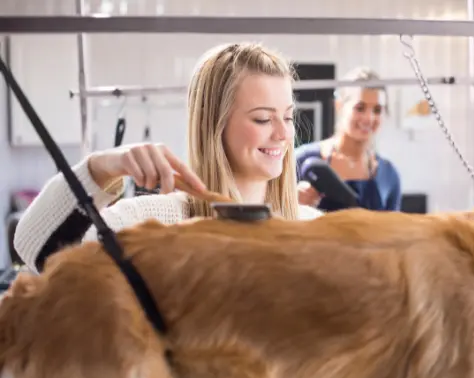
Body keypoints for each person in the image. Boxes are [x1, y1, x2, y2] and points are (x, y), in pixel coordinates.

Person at [14, 42, 323, 273]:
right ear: (214, 125)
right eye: (263, 119)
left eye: (288, 117)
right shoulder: (148, 226)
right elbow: (36, 251)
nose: (283, 134)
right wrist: (102, 167)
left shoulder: (315, 231)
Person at [295, 67, 401, 212]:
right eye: (360, 108)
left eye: (377, 110)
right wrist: (292, 203)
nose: (369, 118)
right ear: (339, 106)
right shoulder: (299, 160)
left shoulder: (389, 174)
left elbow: (393, 231)